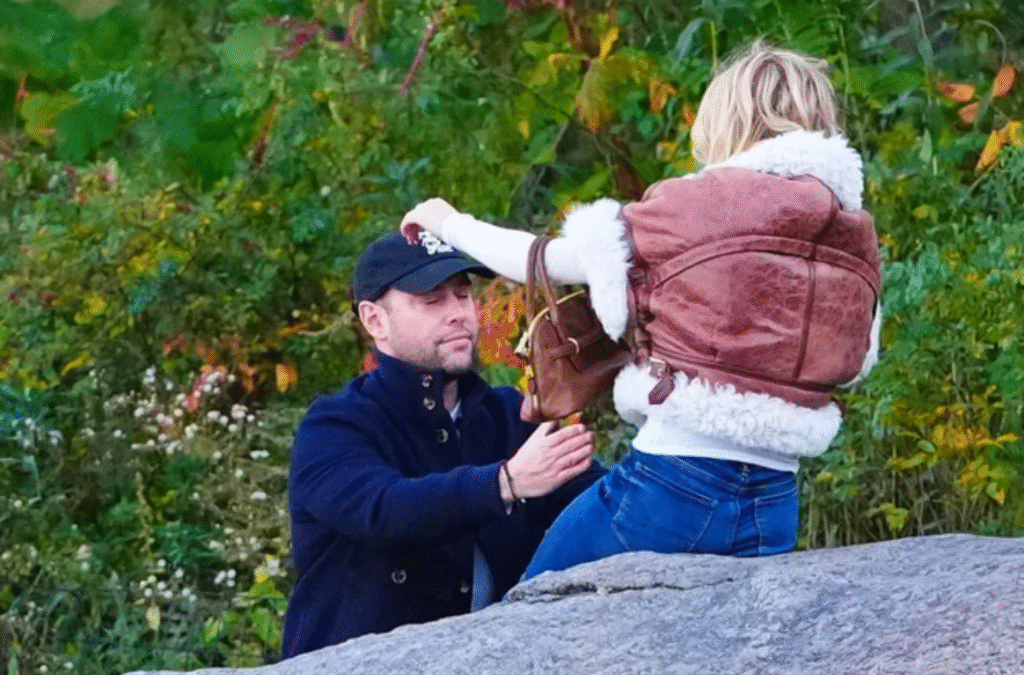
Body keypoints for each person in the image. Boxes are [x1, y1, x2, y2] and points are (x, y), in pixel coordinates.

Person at [400, 41, 883, 580]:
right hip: (775, 501)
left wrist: (448, 223)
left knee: (528, 619)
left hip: (670, 489)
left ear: (726, 120)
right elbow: (857, 361)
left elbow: (546, 260)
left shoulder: (698, 205)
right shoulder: (853, 234)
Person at [281, 231, 606, 658]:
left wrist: (639, 392)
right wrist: (504, 483)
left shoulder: (512, 416)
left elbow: (609, 506)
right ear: (375, 320)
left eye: (461, 296)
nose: (458, 314)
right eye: (432, 301)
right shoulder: (336, 425)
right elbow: (383, 510)